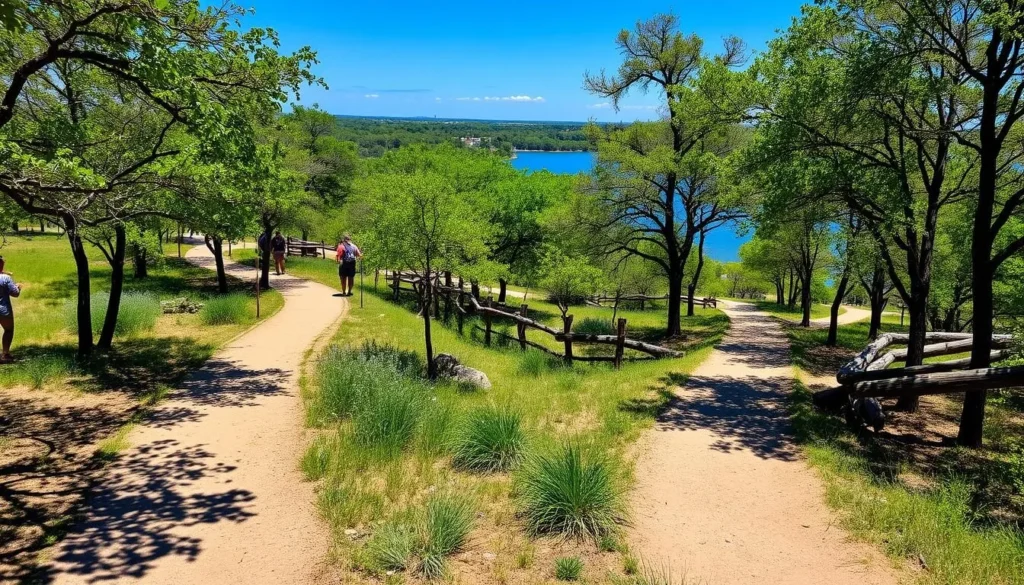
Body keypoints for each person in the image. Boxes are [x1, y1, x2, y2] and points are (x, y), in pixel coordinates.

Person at [0, 256, 23, 363]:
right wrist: (18, 286)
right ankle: (5, 354)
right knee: (8, 330)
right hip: (4, 310)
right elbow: (15, 293)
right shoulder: (5, 278)